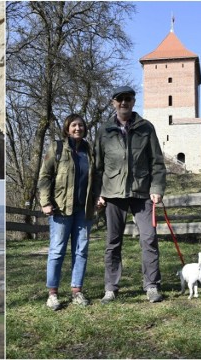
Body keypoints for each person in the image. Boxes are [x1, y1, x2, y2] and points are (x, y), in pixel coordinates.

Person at [94, 86, 167, 303]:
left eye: (128, 99)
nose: (123, 102)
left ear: (134, 102)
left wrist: (157, 189)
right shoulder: (104, 131)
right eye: (119, 99)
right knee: (112, 242)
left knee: (149, 239)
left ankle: (152, 285)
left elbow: (157, 162)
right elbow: (97, 166)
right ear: (113, 103)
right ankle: (111, 287)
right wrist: (98, 193)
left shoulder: (146, 128)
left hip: (142, 192)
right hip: (113, 193)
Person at [38, 114, 98, 310]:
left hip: (84, 210)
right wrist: (45, 202)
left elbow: (95, 178)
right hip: (61, 209)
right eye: (74, 125)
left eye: (81, 125)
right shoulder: (57, 148)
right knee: (57, 251)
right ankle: (53, 294)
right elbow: (45, 176)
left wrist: (99, 197)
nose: (78, 128)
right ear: (67, 128)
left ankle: (76, 291)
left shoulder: (89, 151)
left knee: (81, 250)